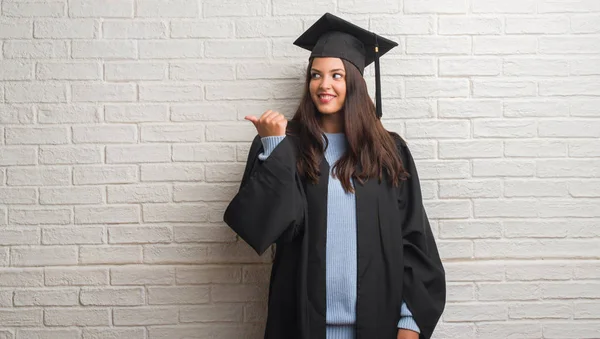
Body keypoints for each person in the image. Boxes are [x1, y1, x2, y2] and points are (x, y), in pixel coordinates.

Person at [223, 13, 446, 339]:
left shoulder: (389, 152)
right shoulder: (285, 147)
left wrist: (409, 325)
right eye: (316, 75)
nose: (323, 84)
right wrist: (273, 145)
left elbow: (415, 242)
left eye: (336, 75)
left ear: (354, 82)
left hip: (378, 328)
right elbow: (261, 228)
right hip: (299, 327)